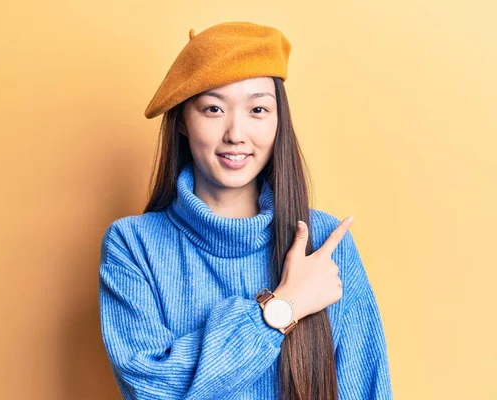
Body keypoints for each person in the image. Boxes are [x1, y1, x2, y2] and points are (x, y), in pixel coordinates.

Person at [99, 21, 393, 400]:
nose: (236, 133)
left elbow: (366, 388)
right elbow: (151, 390)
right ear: (183, 121)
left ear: (278, 121)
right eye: (213, 108)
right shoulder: (132, 246)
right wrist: (282, 309)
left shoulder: (324, 243)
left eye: (257, 108)